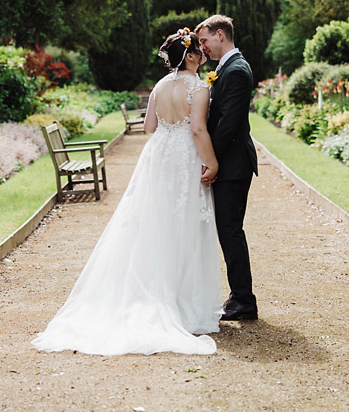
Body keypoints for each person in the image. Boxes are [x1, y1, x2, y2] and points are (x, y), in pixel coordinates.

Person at [31, 28, 223, 355]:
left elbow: (149, 128)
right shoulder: (199, 87)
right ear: (190, 56)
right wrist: (212, 163)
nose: (202, 54)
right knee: (185, 224)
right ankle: (183, 303)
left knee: (153, 223)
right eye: (198, 51)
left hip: (158, 156)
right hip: (182, 159)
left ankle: (152, 292)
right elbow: (197, 128)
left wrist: (167, 125)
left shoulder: (160, 86)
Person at [195, 14, 259, 322]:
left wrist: (211, 159)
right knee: (228, 230)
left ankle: (244, 300)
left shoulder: (237, 70)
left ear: (221, 35)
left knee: (230, 230)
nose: (203, 47)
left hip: (232, 165)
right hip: (229, 162)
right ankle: (239, 296)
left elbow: (228, 125)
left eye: (205, 40)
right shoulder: (227, 69)